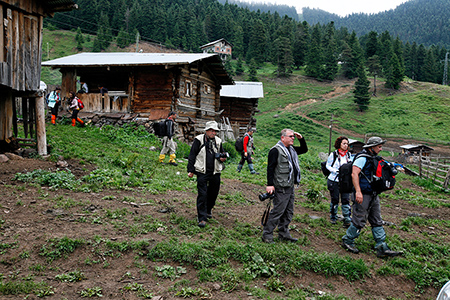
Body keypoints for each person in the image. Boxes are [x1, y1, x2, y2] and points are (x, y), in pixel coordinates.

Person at [341, 137, 403, 258]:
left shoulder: (374, 158)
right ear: (371, 147)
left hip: (373, 194)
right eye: (379, 146)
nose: (381, 149)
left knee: (376, 219)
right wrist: (358, 192)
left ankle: (381, 246)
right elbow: (354, 174)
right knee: (359, 219)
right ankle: (347, 240)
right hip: (363, 194)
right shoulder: (362, 158)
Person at [262, 128, 308, 243]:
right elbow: (270, 168)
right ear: (283, 137)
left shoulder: (291, 150)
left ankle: (284, 234)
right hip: (280, 186)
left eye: (293, 136)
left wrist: (301, 139)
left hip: (290, 185)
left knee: (288, 212)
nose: (293, 138)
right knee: (278, 211)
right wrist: (270, 185)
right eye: (290, 136)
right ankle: (267, 234)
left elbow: (304, 149)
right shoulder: (275, 150)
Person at [187, 121, 227, 228]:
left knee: (213, 193)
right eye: (212, 131)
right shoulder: (198, 140)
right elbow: (192, 155)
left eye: (215, 131)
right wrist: (190, 170)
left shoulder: (218, 141)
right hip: (201, 171)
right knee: (202, 194)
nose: (214, 133)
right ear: (207, 131)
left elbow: (222, 153)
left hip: (215, 171)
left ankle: (208, 209)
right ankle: (202, 218)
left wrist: (223, 158)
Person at [326, 136, 352, 227]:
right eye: (344, 143)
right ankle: (333, 216)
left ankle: (347, 218)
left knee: (345, 199)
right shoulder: (334, 154)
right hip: (334, 179)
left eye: (347, 144)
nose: (346, 145)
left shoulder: (348, 155)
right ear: (339, 144)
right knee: (335, 199)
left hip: (345, 181)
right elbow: (328, 166)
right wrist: (336, 171)